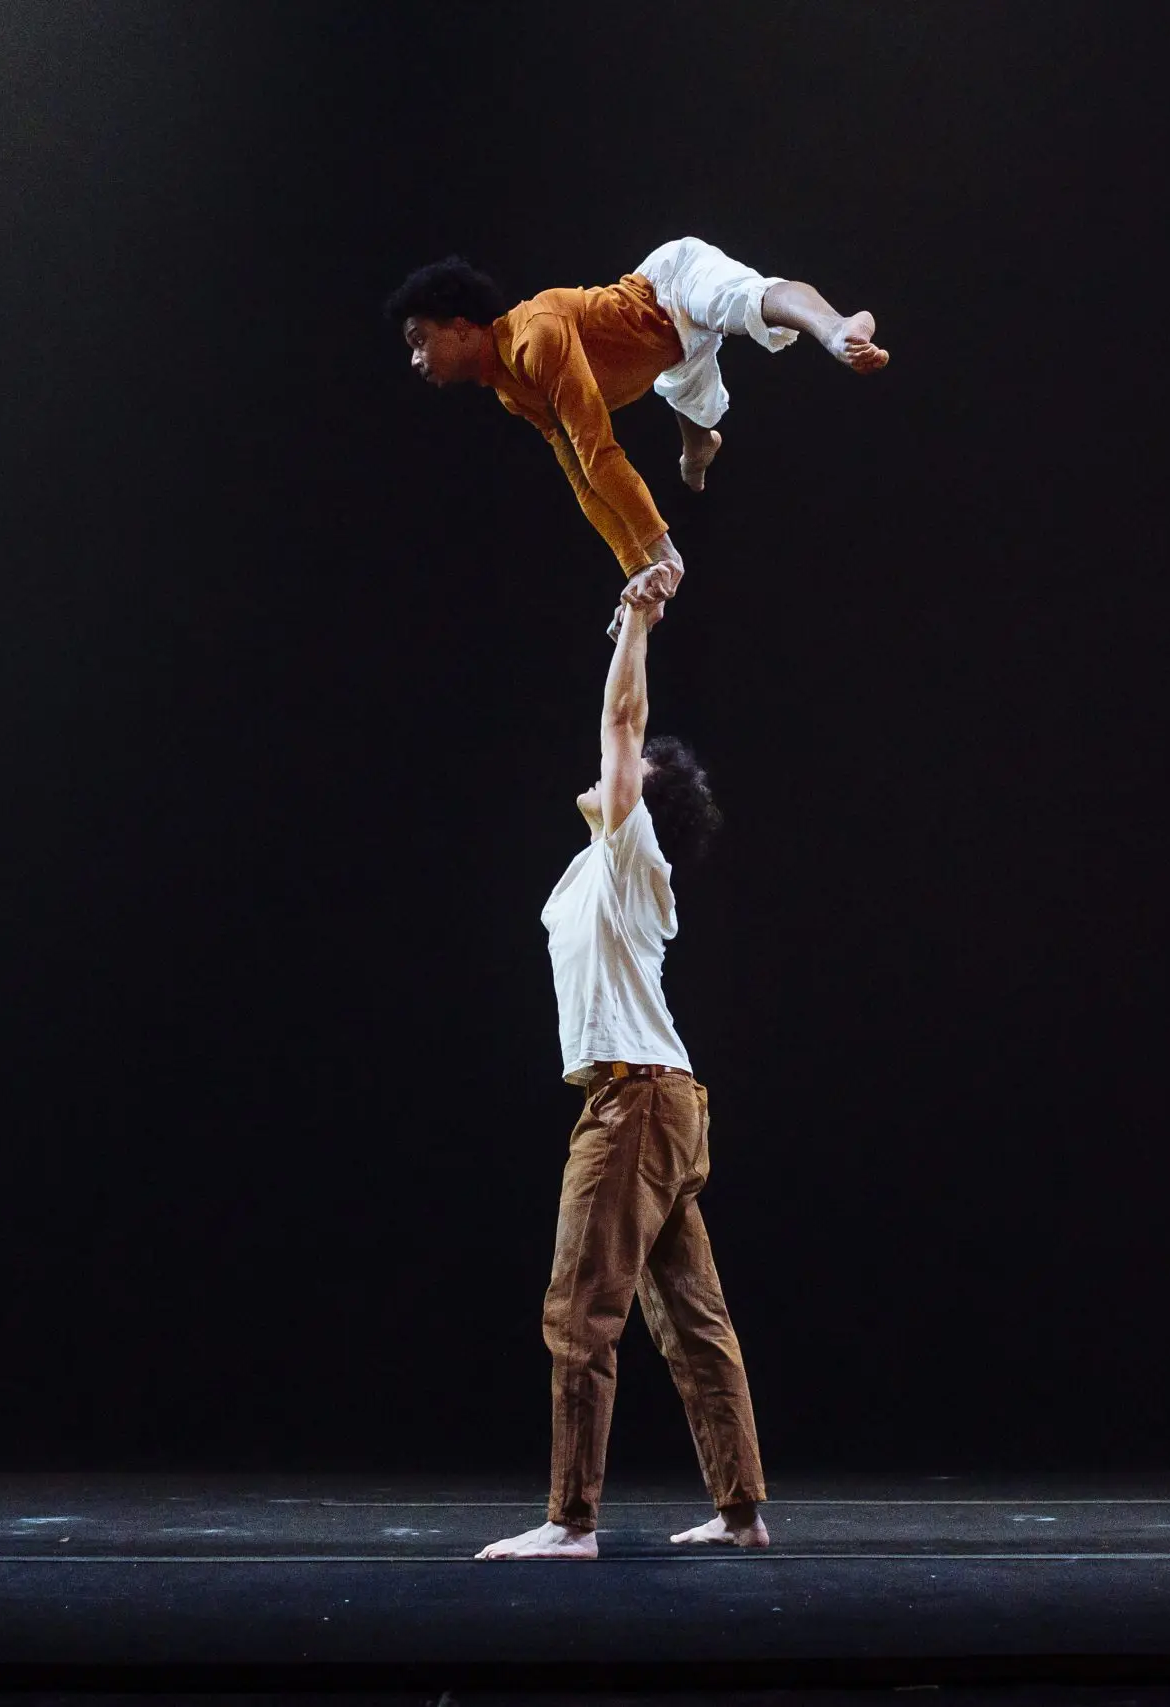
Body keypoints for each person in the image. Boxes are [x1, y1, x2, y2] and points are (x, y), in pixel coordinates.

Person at [475, 586, 769, 1561]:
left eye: (630, 774)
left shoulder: (631, 851)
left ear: (645, 795)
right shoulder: (599, 867)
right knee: (692, 1319)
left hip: (635, 1101)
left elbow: (621, 716)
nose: (610, 772)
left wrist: (637, 624)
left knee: (579, 1311)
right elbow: (619, 727)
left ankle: (569, 1522)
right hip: (668, 1101)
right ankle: (740, 1513)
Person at [387, 238, 888, 626]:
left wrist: (662, 551)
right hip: (672, 357)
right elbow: (582, 481)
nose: (415, 360)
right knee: (696, 425)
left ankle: (837, 326)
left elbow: (598, 451)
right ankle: (698, 452)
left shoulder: (535, 336)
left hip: (672, 290)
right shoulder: (511, 391)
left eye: (419, 340)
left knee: (748, 300)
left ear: (459, 326)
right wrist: (637, 568)